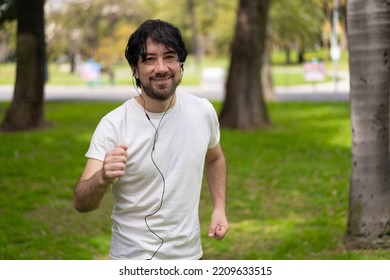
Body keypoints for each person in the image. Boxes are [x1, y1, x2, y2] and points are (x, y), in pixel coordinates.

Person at [73, 19, 228, 260]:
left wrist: (219, 208)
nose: (161, 67)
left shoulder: (203, 111)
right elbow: (82, 203)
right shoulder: (113, 125)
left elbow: (215, 157)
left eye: (169, 57)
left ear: (180, 63)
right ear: (135, 69)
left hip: (190, 257)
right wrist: (102, 177)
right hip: (132, 260)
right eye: (149, 59)